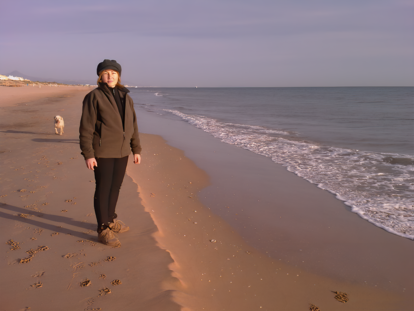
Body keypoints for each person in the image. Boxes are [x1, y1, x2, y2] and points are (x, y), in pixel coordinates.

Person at [79, 59, 141, 247]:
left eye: (113, 73)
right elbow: (86, 128)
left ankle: (111, 219)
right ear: (100, 77)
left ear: (118, 76)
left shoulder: (126, 97)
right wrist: (88, 154)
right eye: (106, 73)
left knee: (116, 187)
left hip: (122, 151)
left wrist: (136, 149)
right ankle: (102, 228)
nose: (110, 76)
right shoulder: (94, 97)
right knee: (103, 187)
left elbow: (133, 126)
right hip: (103, 150)